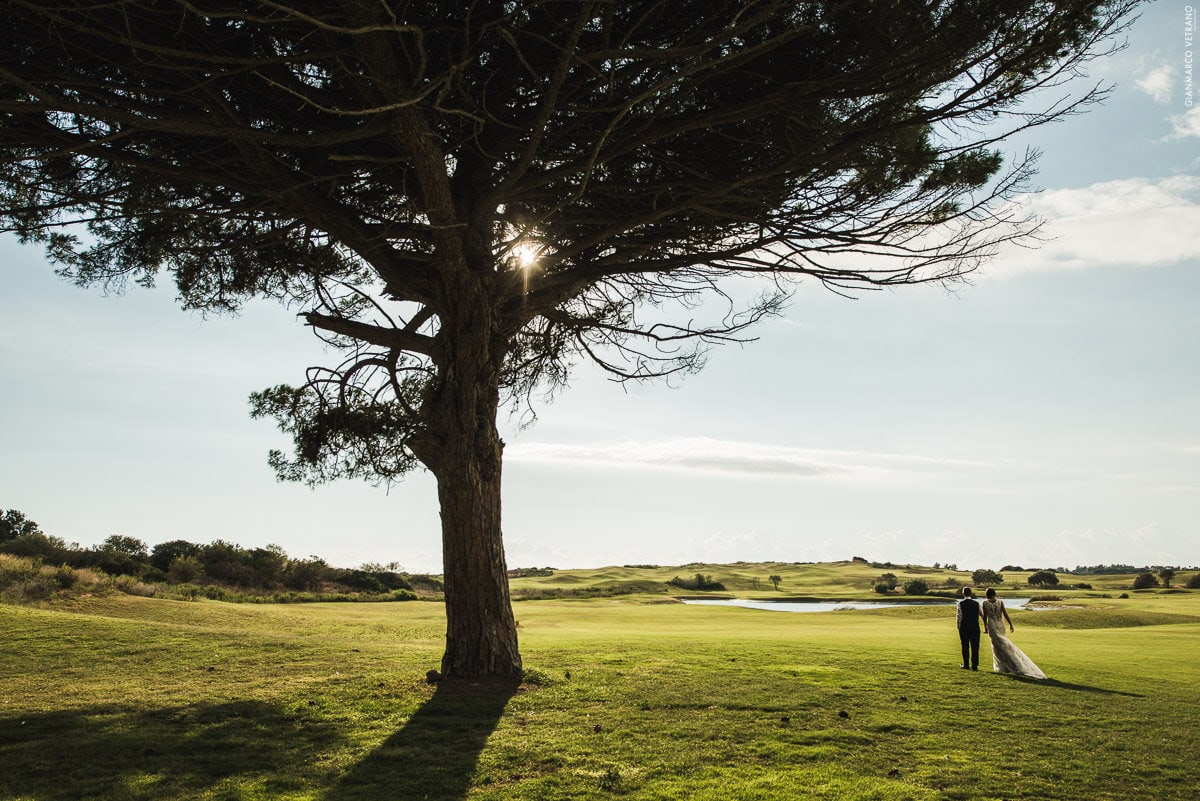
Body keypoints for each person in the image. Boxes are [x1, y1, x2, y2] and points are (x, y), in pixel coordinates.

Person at [981, 587, 1047, 679]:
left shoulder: (985, 603)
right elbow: (1005, 614)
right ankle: (1003, 666)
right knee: (1001, 644)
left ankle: (1009, 665)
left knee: (998, 644)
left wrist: (985, 627)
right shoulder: (1000, 602)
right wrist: (1010, 624)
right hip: (1000, 624)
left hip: (992, 624)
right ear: (994, 593)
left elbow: (985, 617)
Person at [956, 587, 984, 670]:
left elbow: (959, 617)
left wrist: (958, 627)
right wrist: (986, 625)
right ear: (971, 593)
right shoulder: (976, 603)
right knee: (975, 646)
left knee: (965, 646)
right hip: (975, 627)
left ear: (963, 594)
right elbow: (982, 615)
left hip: (964, 627)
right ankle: (975, 666)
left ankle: (966, 664)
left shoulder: (960, 604)